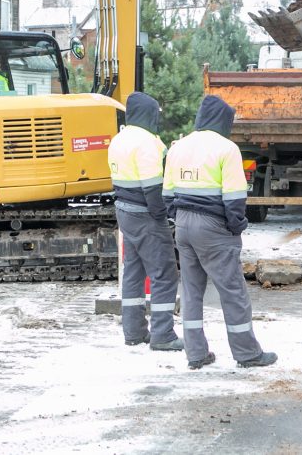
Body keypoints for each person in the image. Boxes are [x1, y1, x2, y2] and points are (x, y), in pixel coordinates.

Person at [163, 95, 277, 370]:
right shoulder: (227, 149)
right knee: (232, 290)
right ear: (222, 121)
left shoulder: (179, 146)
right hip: (213, 226)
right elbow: (235, 198)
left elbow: (167, 194)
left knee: (190, 291)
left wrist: (178, 218)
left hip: (184, 227)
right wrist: (235, 227)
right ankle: (247, 353)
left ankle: (196, 354)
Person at [108, 92, 183, 351]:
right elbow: (152, 189)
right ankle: (163, 335)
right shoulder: (146, 142)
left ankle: (134, 332)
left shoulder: (118, 139)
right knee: (164, 274)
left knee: (134, 272)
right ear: (149, 114)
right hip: (145, 215)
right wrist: (163, 216)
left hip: (124, 212)